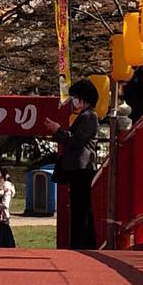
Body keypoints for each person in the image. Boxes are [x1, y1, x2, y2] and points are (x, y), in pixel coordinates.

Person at [45, 78, 100, 249]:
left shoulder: (89, 116)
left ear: (83, 97)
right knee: (79, 206)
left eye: (75, 97)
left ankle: (81, 243)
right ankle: (82, 242)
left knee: (80, 208)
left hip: (82, 168)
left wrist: (58, 131)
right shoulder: (85, 116)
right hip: (79, 168)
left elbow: (76, 141)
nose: (74, 101)